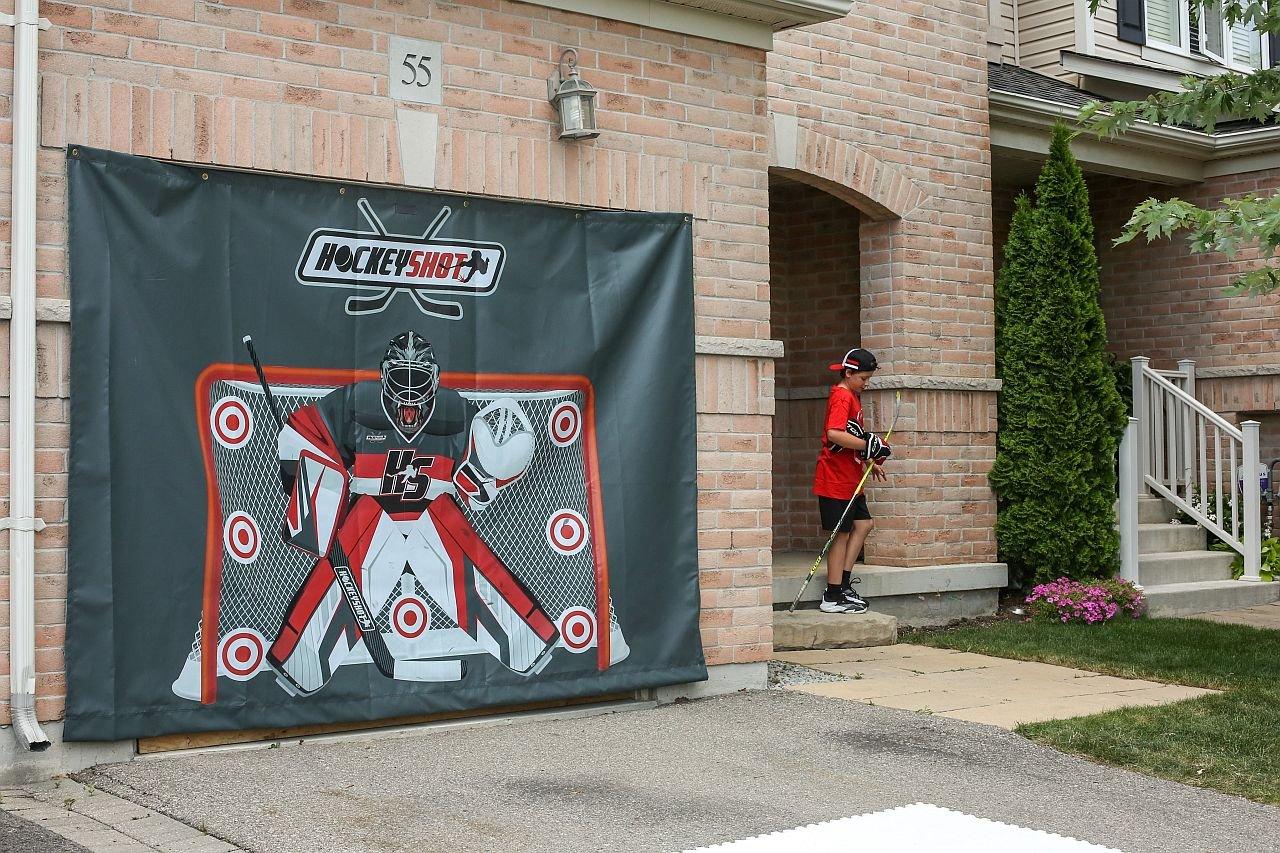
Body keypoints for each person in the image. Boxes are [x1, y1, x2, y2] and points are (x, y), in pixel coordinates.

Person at [266, 331, 559, 696]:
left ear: (433, 379)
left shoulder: (454, 412)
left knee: (471, 565)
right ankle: (301, 661)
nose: (408, 391)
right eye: (401, 378)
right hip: (369, 516)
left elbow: (478, 483)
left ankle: (525, 642)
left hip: (434, 518)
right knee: (337, 580)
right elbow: (305, 432)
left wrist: (488, 472)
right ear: (384, 375)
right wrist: (312, 480)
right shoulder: (356, 403)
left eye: (417, 378)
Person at [812, 348, 892, 614]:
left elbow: (853, 439)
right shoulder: (842, 396)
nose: (866, 384)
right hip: (834, 479)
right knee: (840, 535)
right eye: (864, 378)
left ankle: (843, 585)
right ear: (848, 373)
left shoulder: (853, 397)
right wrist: (868, 445)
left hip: (851, 479)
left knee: (864, 524)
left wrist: (869, 458)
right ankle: (832, 596)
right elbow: (834, 434)